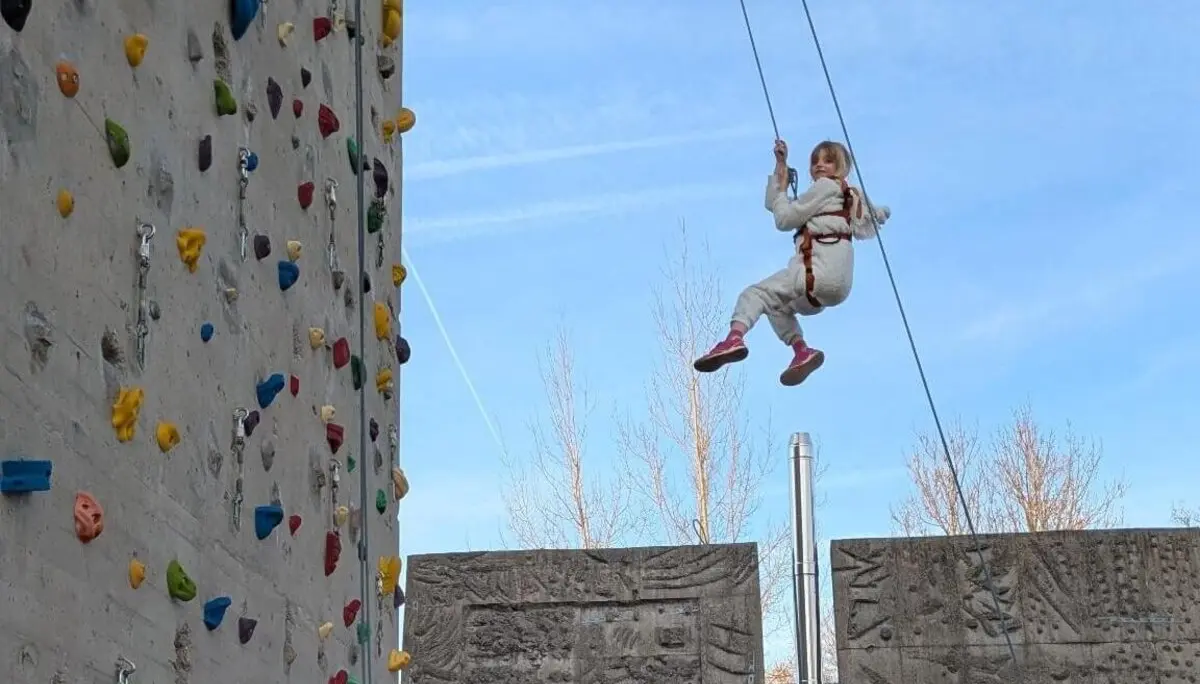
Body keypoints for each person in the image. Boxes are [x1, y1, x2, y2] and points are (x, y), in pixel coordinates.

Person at [693, 139, 890, 386]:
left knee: (754, 294)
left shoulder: (826, 188)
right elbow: (775, 203)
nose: (819, 165)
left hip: (816, 276)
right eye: (815, 161)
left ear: (841, 167)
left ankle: (733, 338)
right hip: (834, 290)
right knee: (777, 306)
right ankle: (801, 350)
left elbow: (783, 218)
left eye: (828, 161)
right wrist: (780, 168)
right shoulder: (847, 196)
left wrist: (783, 190)